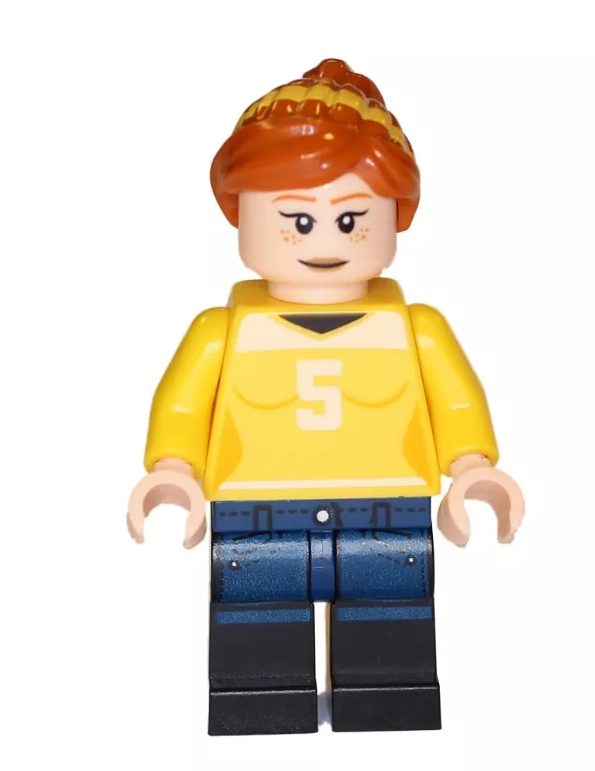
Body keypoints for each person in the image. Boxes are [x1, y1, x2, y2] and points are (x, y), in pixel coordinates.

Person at [127, 58, 524, 736]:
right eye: (297, 220)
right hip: (254, 511)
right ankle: (260, 702)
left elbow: (455, 404)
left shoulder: (416, 328)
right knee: (256, 628)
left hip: (388, 508)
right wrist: (172, 471)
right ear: (242, 213)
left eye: (351, 219)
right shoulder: (222, 330)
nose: (325, 241)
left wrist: (472, 468)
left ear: (394, 216)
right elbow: (184, 406)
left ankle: (387, 700)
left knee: (390, 624)